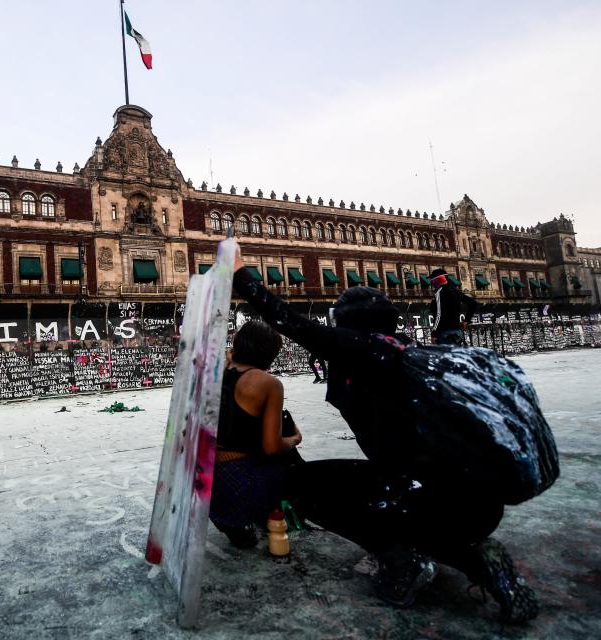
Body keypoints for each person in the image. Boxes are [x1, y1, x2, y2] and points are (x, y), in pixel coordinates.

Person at [228, 247, 539, 623]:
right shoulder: (409, 351)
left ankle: (402, 563)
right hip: (476, 501)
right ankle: (479, 561)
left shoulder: (367, 350)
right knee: (408, 498)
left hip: (423, 493)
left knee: (304, 486)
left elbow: (292, 322)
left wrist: (241, 273)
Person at [209, 320, 302, 549]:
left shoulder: (217, 371)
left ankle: (233, 520)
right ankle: (264, 513)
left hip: (207, 482)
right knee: (292, 465)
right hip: (240, 482)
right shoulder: (268, 383)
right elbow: (272, 446)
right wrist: (294, 439)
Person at [430, 268, 477, 345]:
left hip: (445, 333)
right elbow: (473, 303)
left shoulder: (440, 292)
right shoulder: (455, 291)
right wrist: (466, 321)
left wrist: (434, 333)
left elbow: (439, 314)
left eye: (433, 281)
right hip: (457, 332)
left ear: (438, 280)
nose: (432, 283)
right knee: (455, 356)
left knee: (445, 356)